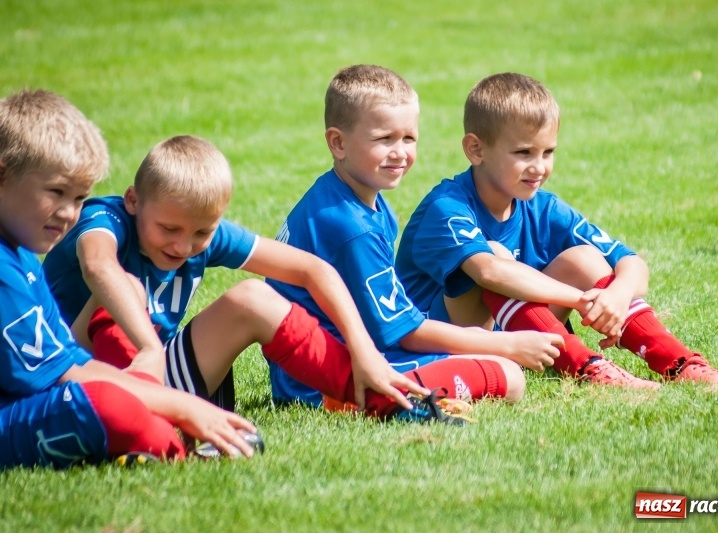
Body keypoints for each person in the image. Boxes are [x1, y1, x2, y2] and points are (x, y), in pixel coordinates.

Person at [43, 134, 434, 416]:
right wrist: (149, 348)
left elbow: (312, 269)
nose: (183, 246)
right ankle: (140, 422)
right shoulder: (104, 218)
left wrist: (362, 349)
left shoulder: (202, 232)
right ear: (133, 201)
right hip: (68, 380)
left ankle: (379, 398)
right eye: (169, 230)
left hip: (152, 375)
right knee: (125, 285)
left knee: (254, 298)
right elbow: (98, 266)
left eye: (201, 233)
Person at [395, 72, 718, 388]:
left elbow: (632, 264)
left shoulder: (544, 207)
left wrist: (615, 296)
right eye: (524, 152)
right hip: (449, 344)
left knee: (585, 258)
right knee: (493, 255)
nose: (539, 166)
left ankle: (681, 364)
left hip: (522, 337)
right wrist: (582, 300)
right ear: (476, 149)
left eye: (548, 152)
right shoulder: (447, 207)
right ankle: (589, 368)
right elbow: (490, 271)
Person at [268, 64, 567, 409]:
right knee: (508, 376)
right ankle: (375, 403)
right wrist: (504, 345)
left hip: (318, 367)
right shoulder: (352, 227)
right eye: (384, 139)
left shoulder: (345, 198)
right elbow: (402, 333)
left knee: (485, 359)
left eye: (408, 138)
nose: (400, 152)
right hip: (324, 383)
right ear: (338, 143)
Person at [0, 89, 260, 468]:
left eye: (79, 198)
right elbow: (70, 376)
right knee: (107, 404)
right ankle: (175, 445)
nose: (68, 213)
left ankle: (161, 436)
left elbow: (73, 362)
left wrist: (165, 399)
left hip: (30, 400)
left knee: (116, 399)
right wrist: (182, 406)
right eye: (56, 192)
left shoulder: (21, 254)